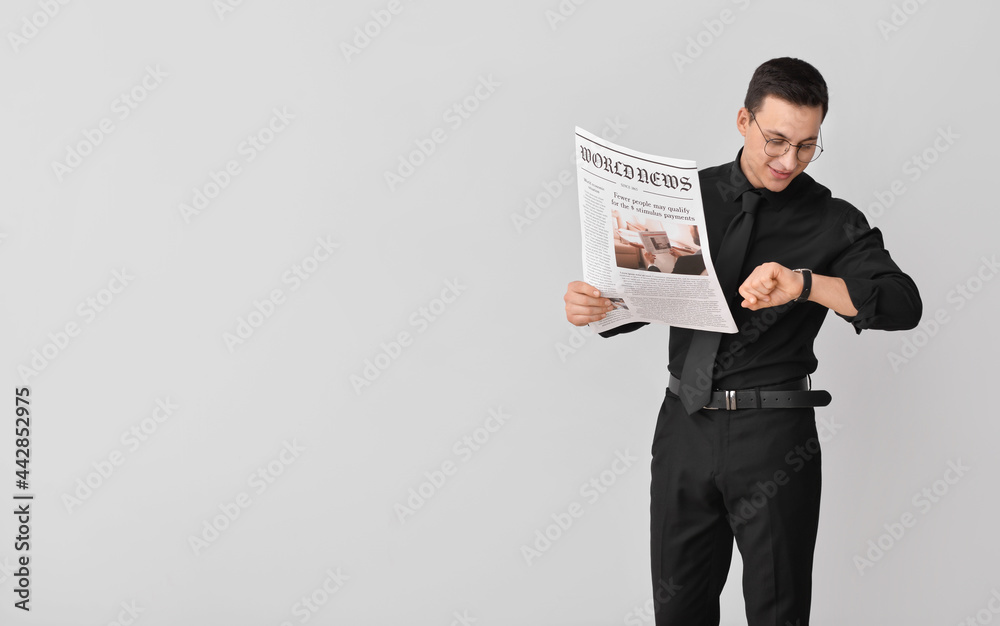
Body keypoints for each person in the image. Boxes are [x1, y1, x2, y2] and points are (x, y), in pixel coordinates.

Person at [562, 57, 921, 625]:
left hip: (774, 436)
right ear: (742, 120)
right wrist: (596, 305)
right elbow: (644, 297)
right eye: (776, 139)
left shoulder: (832, 220)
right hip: (683, 425)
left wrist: (806, 284)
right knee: (678, 609)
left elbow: (903, 305)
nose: (788, 160)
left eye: (807, 146)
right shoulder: (684, 202)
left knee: (777, 612)